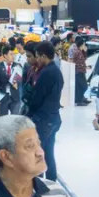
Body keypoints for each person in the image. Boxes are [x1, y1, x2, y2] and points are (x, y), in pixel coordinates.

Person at [26, 42, 63, 182]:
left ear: (43, 56)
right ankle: (52, 182)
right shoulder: (56, 71)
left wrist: (29, 113)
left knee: (38, 154)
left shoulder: (47, 72)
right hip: (53, 118)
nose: (36, 60)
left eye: (37, 56)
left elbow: (37, 98)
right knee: (48, 153)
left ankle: (39, 184)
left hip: (43, 119)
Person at [68, 36, 89, 106]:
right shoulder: (76, 51)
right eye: (83, 44)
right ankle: (79, 100)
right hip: (78, 71)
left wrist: (85, 51)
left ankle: (80, 99)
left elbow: (84, 59)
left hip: (81, 71)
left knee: (80, 86)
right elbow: (72, 61)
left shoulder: (80, 51)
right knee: (83, 86)